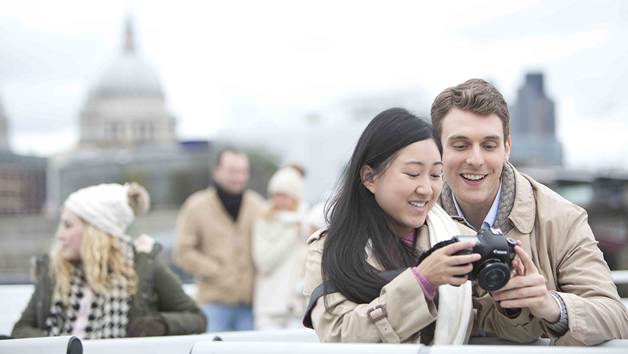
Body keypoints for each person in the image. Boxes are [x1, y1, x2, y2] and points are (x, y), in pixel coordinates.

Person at [431, 78, 628, 346]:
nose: (475, 159)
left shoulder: (563, 218)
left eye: (489, 145)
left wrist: (550, 305)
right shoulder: (414, 215)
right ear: (438, 149)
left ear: (506, 149)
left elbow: (616, 318)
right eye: (461, 145)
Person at [303, 108, 490, 344]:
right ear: (370, 178)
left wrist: (519, 302)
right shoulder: (328, 249)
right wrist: (422, 280)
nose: (426, 189)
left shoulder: (461, 240)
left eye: (435, 174)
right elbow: (339, 335)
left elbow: (496, 325)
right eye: (413, 174)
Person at [11, 183, 206, 339]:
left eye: (68, 225)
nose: (60, 235)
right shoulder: (55, 270)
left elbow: (196, 318)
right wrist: (57, 345)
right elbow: (21, 330)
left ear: (95, 232)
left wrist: (161, 323)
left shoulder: (143, 266)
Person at [174, 148, 265, 332]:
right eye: (232, 171)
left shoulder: (257, 204)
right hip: (213, 304)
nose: (238, 177)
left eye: (243, 171)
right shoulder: (196, 206)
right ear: (216, 172)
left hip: (250, 305)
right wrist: (214, 269)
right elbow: (182, 251)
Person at [252, 164, 309, 330]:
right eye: (276, 196)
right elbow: (263, 262)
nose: (280, 202)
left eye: (285, 196)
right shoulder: (263, 221)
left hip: (297, 309)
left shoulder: (306, 222)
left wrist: (301, 228)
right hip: (270, 310)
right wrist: (290, 233)